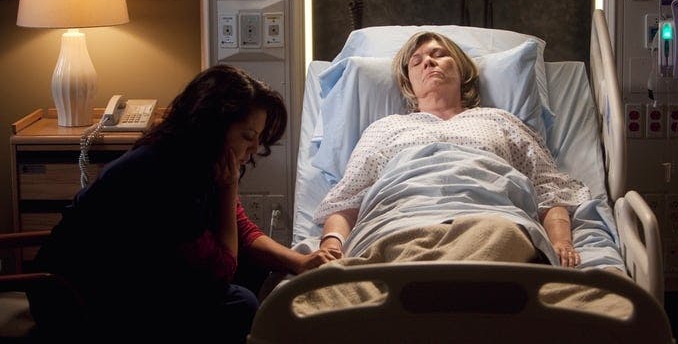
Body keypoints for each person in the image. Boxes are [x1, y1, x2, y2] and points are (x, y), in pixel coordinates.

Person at [27, 65, 338, 343]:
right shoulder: (162, 173)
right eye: (248, 136)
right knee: (239, 304)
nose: (255, 148)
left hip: (129, 273)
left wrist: (299, 262)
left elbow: (240, 229)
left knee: (256, 270)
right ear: (214, 125)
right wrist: (229, 188)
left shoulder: (197, 160)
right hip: (74, 295)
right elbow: (221, 270)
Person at [314, 31, 589, 272]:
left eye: (439, 55)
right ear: (408, 82)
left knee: (501, 236)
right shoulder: (384, 128)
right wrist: (331, 245)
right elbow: (347, 200)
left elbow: (548, 189)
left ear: (461, 70)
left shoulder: (500, 121)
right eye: (416, 61)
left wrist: (561, 242)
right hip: (400, 221)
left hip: (489, 218)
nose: (428, 62)